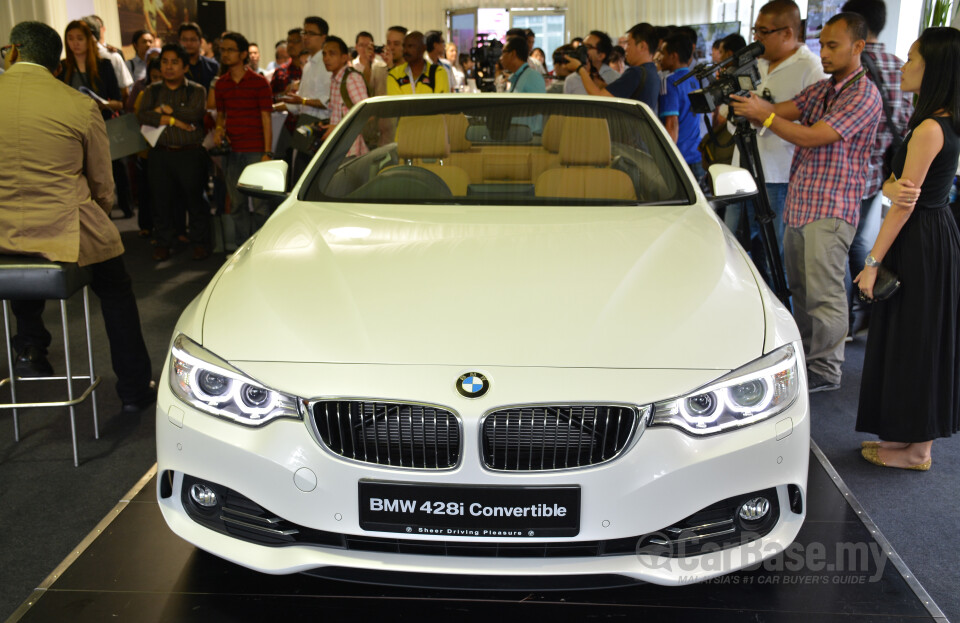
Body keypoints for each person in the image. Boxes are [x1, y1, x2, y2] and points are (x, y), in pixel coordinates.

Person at [0, 21, 154, 414]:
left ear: (14, 52)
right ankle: (135, 390)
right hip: (62, 228)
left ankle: (31, 346)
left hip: (4, 234)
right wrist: (100, 213)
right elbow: (103, 184)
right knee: (116, 288)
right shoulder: (79, 104)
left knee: (19, 257)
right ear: (56, 63)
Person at [730, 12, 882, 392]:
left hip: (830, 210)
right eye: (823, 44)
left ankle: (826, 371)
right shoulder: (827, 88)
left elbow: (815, 136)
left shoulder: (863, 93)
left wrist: (763, 116)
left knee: (824, 296)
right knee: (801, 290)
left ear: (858, 46)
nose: (824, 53)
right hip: (802, 204)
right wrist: (751, 103)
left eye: (833, 45)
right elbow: (790, 110)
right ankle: (807, 361)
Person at [855, 27, 960, 470]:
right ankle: (913, 442)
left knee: (918, 340)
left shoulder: (930, 128)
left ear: (934, 68)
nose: (903, 65)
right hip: (931, 235)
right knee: (921, 338)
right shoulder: (943, 120)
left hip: (917, 239)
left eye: (913, 58)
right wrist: (895, 186)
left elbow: (901, 204)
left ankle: (919, 450)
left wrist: (871, 262)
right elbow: (899, 190)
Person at [723, 0, 826, 286]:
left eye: (764, 31)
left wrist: (765, 115)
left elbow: (815, 125)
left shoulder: (811, 70)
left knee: (775, 254)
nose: (757, 38)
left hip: (779, 175)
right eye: (755, 30)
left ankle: (780, 313)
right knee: (732, 245)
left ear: (788, 33)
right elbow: (731, 113)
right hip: (741, 168)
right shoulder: (752, 62)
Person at [842, 0, 914, 338]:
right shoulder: (901, 66)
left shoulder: (854, 67)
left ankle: (846, 317)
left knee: (841, 245)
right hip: (882, 174)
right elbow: (905, 124)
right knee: (859, 243)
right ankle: (867, 310)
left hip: (847, 173)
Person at [137, 43, 209, 262]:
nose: (168, 67)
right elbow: (143, 116)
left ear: (185, 67)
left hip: (190, 153)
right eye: (165, 62)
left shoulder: (196, 90)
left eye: (174, 62)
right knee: (161, 201)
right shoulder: (152, 90)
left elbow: (195, 113)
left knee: (195, 200)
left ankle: (200, 242)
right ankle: (164, 243)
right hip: (161, 153)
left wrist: (167, 110)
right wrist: (174, 119)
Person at [213, 31, 274, 245]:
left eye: (230, 50)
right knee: (237, 203)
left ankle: (262, 245)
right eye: (223, 50)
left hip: (256, 150)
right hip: (232, 150)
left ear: (242, 54)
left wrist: (267, 152)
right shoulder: (221, 84)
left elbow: (266, 118)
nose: (225, 54)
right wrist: (219, 129)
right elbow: (221, 115)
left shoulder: (259, 83)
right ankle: (241, 246)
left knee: (260, 205)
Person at [564, 23, 662, 114]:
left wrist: (580, 69)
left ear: (642, 46)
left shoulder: (636, 73)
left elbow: (599, 98)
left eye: (629, 44)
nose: (626, 49)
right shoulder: (652, 73)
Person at [658, 34, 704, 180]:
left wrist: (668, 159)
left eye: (663, 54)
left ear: (674, 56)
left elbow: (672, 123)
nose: (660, 58)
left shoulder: (670, 82)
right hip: (696, 155)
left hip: (680, 157)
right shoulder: (695, 79)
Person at [320, 35, 369, 157]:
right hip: (339, 147)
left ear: (344, 57)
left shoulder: (351, 78)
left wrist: (337, 128)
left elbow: (366, 113)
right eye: (324, 54)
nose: (326, 58)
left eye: (332, 54)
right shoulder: (335, 79)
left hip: (351, 149)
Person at [563, 30, 619, 95]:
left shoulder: (615, 79)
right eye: (582, 46)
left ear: (601, 56)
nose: (582, 51)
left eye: (587, 47)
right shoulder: (571, 80)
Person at [179, 22, 218, 90]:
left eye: (193, 40)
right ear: (179, 41)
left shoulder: (212, 66)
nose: (189, 43)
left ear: (200, 42)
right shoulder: (174, 67)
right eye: (185, 40)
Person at [353, 31, 387, 97]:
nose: (365, 49)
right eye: (361, 45)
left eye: (368, 45)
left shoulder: (380, 66)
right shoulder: (351, 67)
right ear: (356, 47)